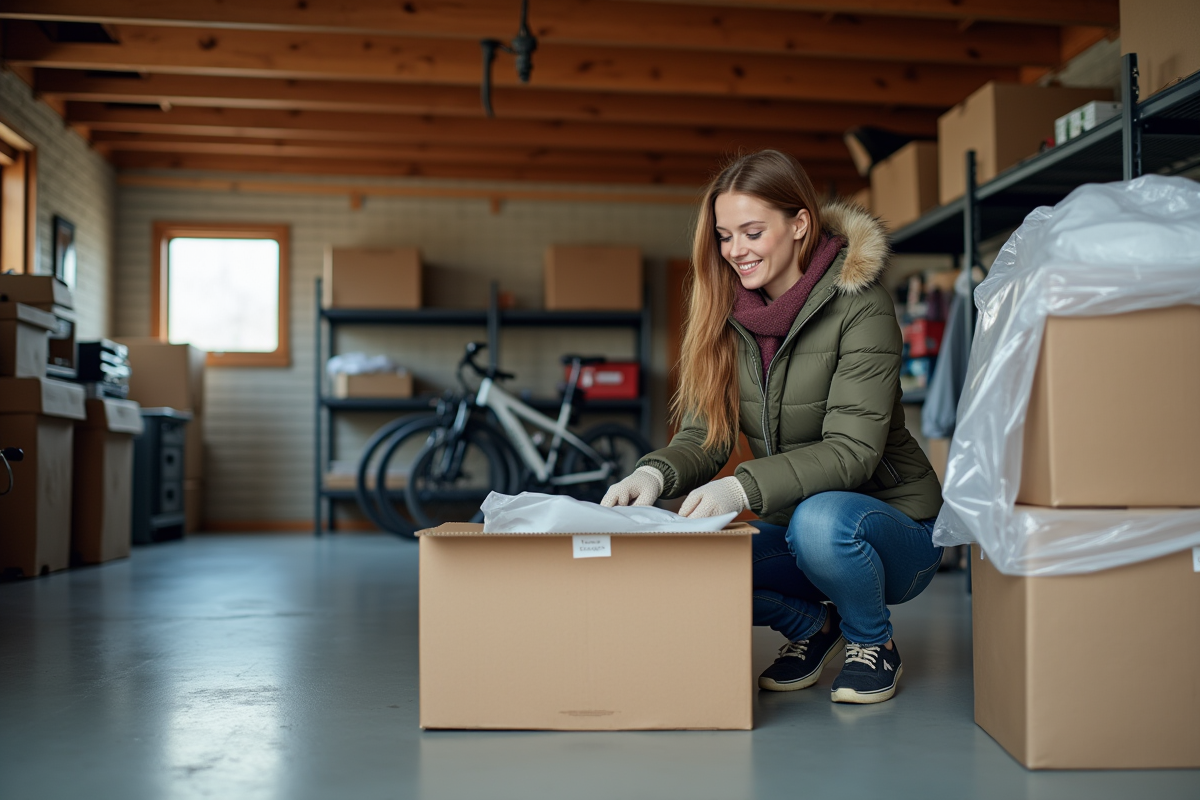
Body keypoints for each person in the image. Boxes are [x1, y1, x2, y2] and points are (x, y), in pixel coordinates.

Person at [602, 150, 943, 704]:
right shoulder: (726, 315)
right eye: (725, 236)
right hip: (795, 528)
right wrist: (655, 476)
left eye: (752, 232)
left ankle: (871, 640)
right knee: (683, 561)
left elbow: (852, 451)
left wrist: (739, 488)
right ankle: (813, 628)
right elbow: (705, 435)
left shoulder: (861, 306)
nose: (736, 251)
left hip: (893, 530)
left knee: (821, 519)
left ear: (799, 224)